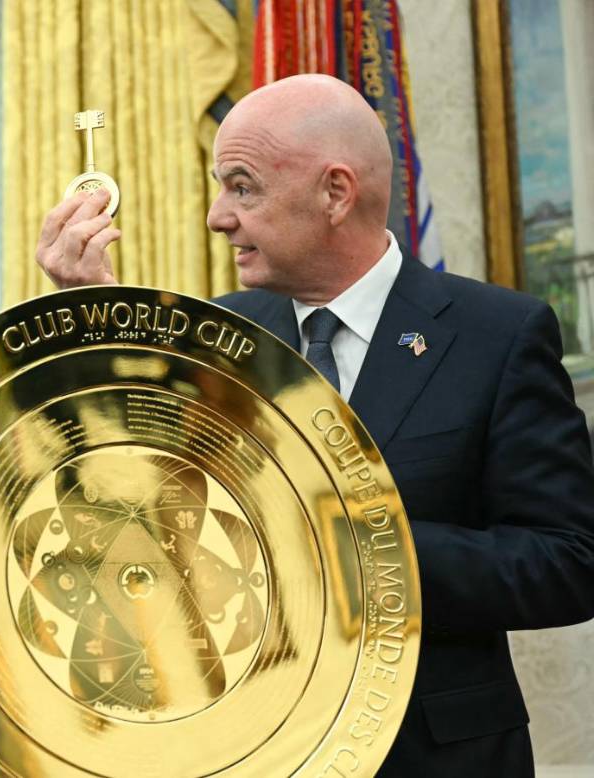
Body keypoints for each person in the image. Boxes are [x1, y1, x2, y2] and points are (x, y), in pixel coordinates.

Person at [36, 74, 594, 774]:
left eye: (242, 188)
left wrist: (353, 547)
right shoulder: (218, 336)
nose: (216, 217)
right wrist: (95, 331)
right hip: (251, 752)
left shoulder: (497, 335)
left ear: (335, 193)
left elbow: (568, 562)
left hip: (428, 756)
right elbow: (140, 518)